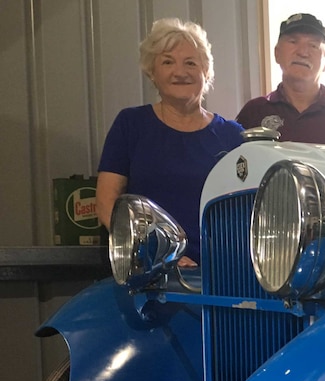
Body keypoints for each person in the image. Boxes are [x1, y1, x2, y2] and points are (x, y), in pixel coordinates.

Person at [96, 18, 244, 267]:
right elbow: (105, 204)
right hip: (150, 272)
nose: (180, 72)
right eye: (167, 62)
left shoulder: (233, 136)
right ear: (152, 73)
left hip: (221, 276)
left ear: (206, 72)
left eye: (190, 63)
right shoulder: (130, 124)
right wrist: (155, 252)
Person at [236, 13, 325, 147]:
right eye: (293, 42)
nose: (303, 52)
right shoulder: (253, 112)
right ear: (276, 53)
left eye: (313, 45)